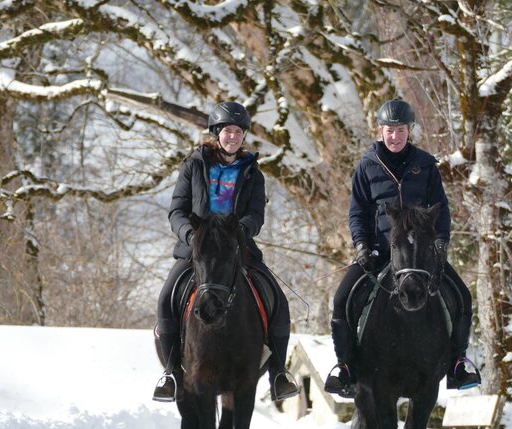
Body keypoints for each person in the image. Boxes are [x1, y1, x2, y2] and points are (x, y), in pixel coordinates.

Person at [323, 99, 481, 397]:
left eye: (400, 131)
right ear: (380, 131)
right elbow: (357, 212)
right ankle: (345, 367)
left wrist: (439, 244)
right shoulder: (367, 166)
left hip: (420, 257)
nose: (394, 137)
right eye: (389, 131)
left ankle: (458, 363)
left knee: (462, 296)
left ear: (410, 131)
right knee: (342, 300)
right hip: (378, 253)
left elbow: (441, 210)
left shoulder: (426, 165)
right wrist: (361, 246)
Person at [152, 101, 299, 403]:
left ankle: (279, 374)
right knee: (167, 296)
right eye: (227, 131)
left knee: (279, 300)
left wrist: (240, 234)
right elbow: (177, 211)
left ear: (244, 136)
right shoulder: (193, 164)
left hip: (237, 250)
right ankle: (170, 372)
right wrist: (192, 236)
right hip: (198, 251)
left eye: (238, 132)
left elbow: (255, 214)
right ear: (216, 133)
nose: (232, 137)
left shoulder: (253, 173)